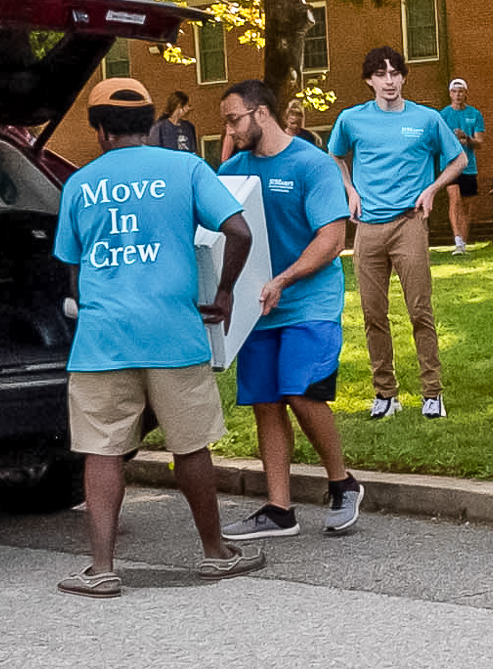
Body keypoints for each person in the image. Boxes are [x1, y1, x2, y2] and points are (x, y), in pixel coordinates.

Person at [51, 77, 262, 598]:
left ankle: (101, 568)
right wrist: (227, 290)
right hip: (174, 333)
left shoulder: (80, 183)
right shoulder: (186, 168)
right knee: (190, 447)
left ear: (99, 131)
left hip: (103, 341)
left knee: (102, 452)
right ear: (150, 124)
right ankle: (215, 554)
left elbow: (71, 269)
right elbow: (239, 231)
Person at [216, 80, 365, 539]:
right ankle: (279, 509)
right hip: (258, 305)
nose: (230, 129)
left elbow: (332, 239)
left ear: (262, 114)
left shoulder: (311, 164)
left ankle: (343, 483)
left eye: (234, 119)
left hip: (307, 301)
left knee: (301, 390)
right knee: (265, 401)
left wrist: (283, 279)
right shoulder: (234, 170)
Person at [330, 47, 467, 419]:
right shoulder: (351, 119)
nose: (389, 81)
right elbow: (336, 155)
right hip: (368, 229)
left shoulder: (426, 119)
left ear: (404, 76)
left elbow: (459, 159)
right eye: (381, 74)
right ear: (369, 80)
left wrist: (432, 190)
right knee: (374, 315)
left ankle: (432, 392)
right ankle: (386, 394)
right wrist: (351, 191)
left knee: (420, 310)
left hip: (409, 224)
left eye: (395, 73)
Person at [440, 78, 486, 254]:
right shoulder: (443, 115)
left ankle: (463, 244)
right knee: (455, 199)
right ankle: (457, 239)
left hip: (469, 165)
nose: (458, 95)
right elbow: (437, 140)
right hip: (450, 165)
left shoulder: (475, 114)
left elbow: (480, 142)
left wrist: (467, 138)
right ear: (450, 94)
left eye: (461, 91)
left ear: (466, 93)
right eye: (454, 91)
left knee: (467, 206)